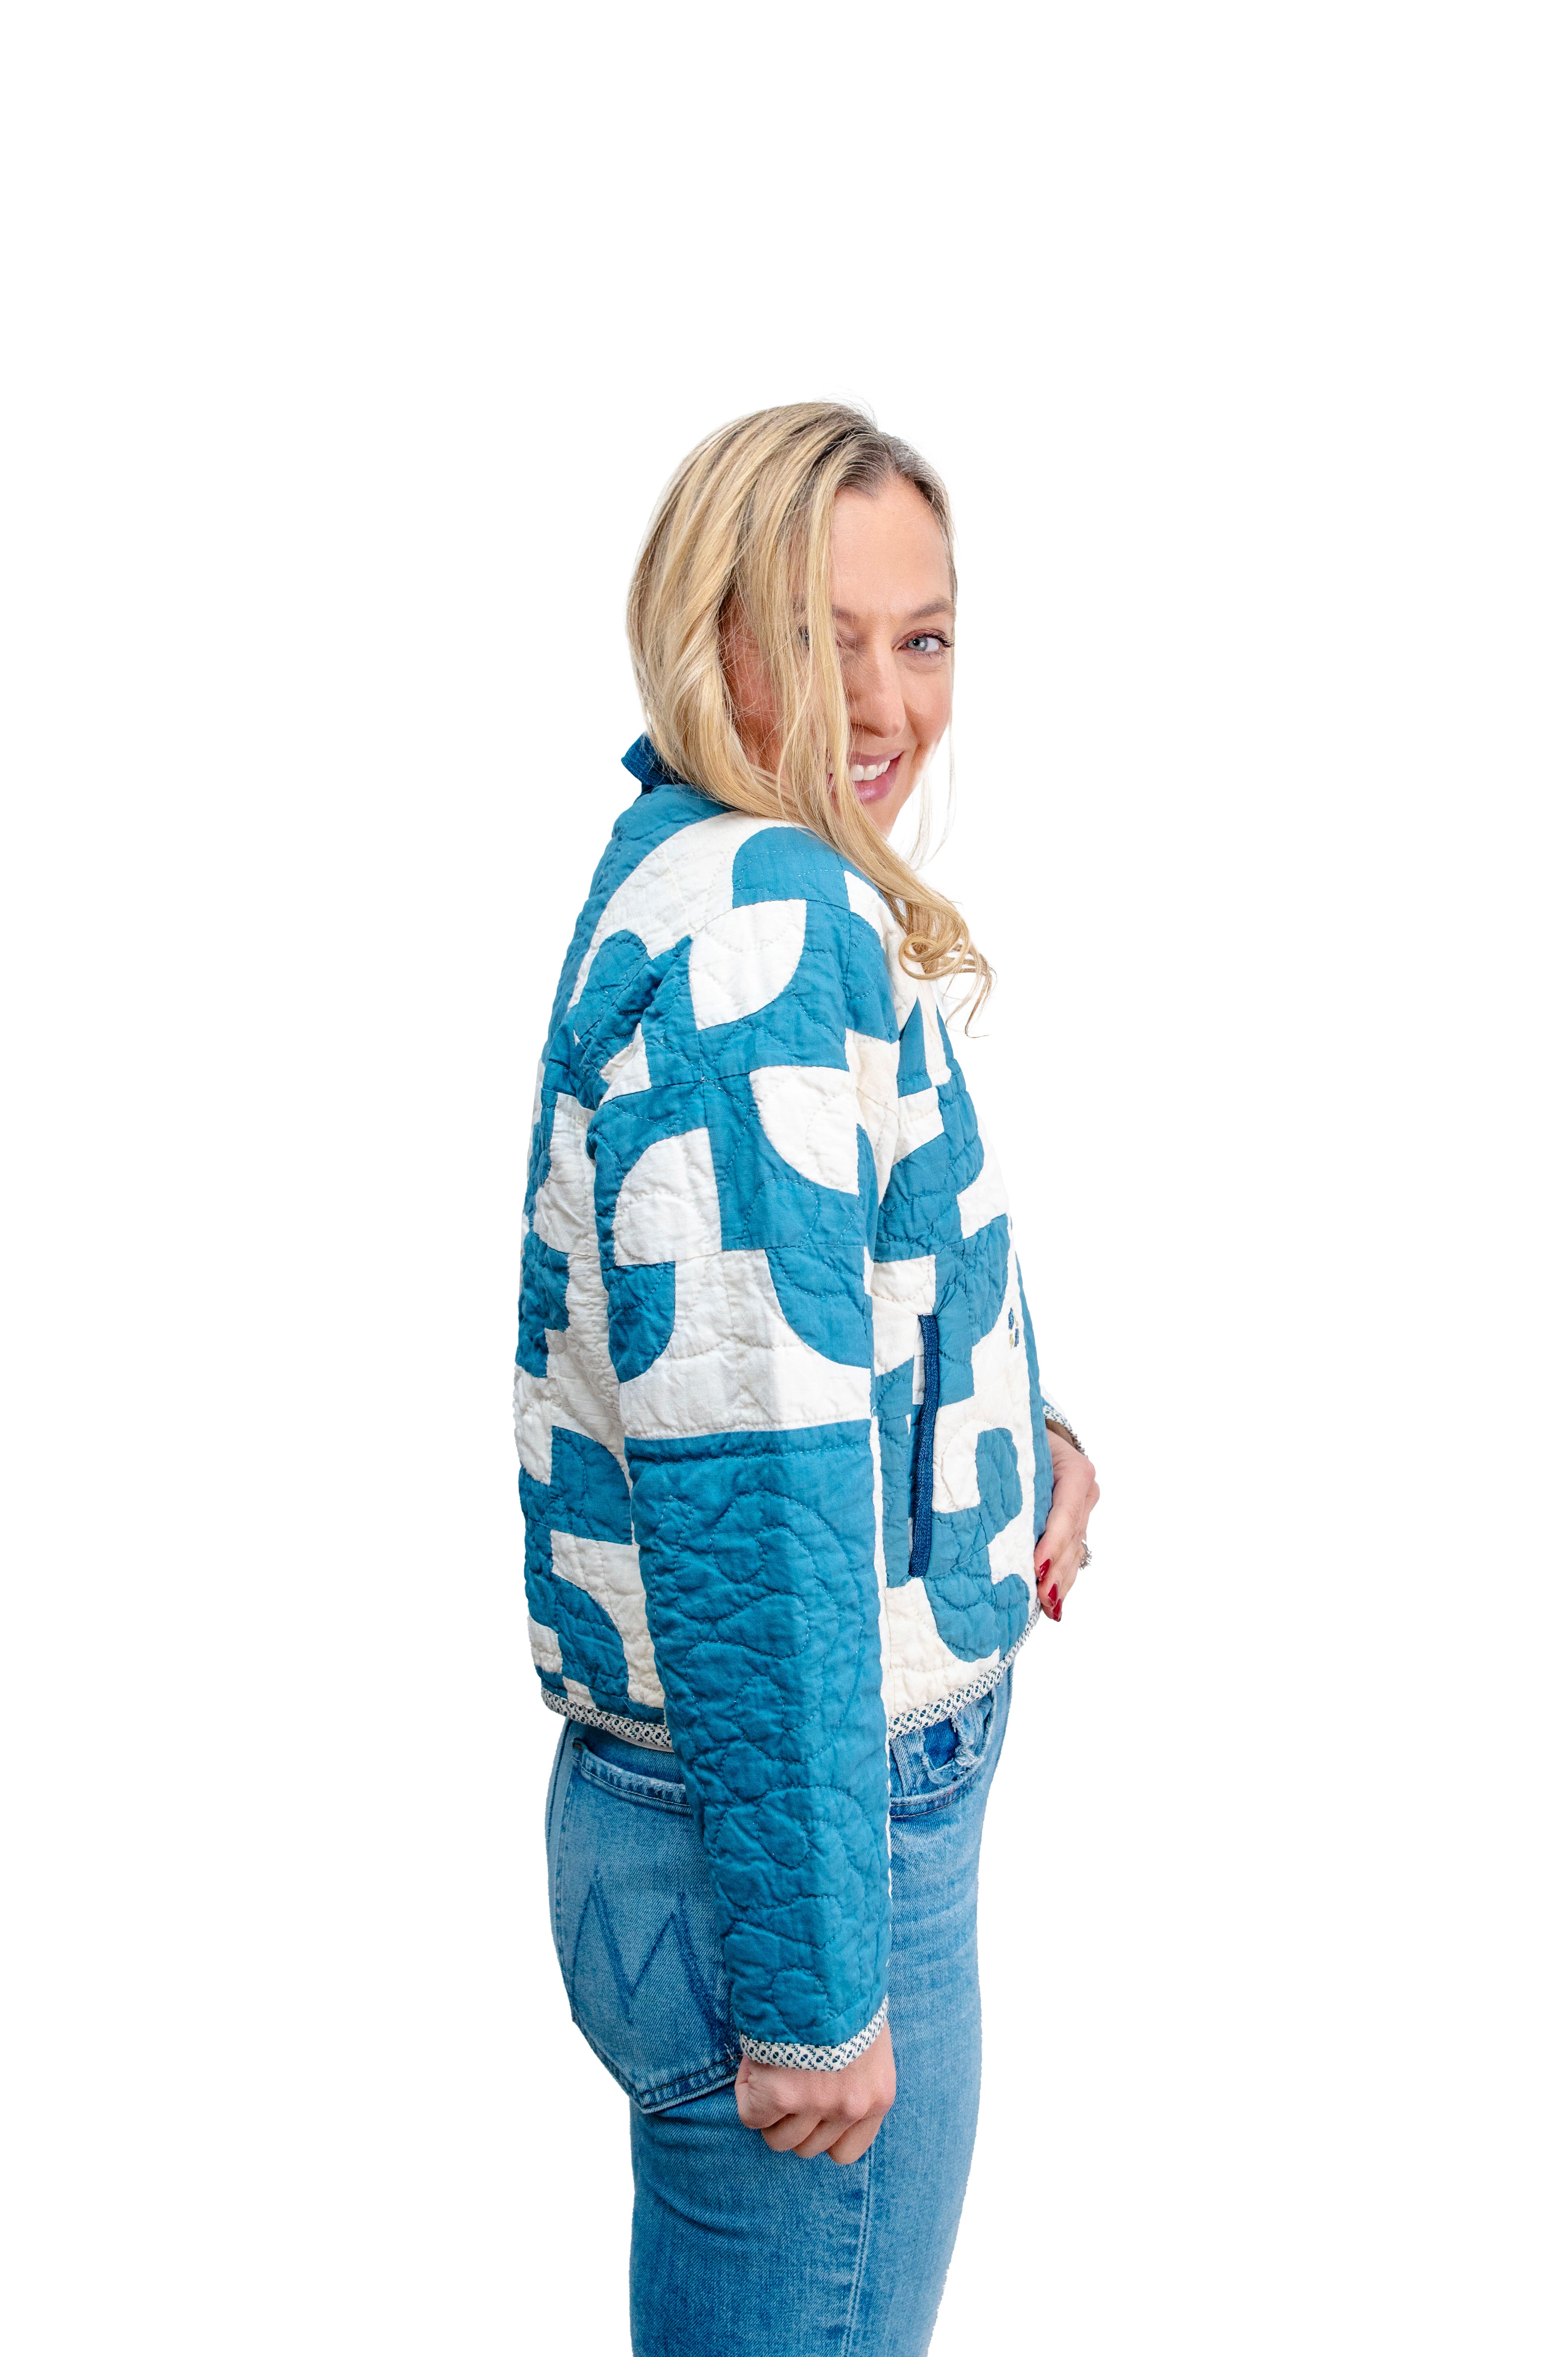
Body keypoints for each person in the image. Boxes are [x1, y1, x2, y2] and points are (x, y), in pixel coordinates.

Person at [518, 403, 1100, 2356]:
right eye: (815, 633)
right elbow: (752, 1482)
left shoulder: (708, 866)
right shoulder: (768, 923)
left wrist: (1018, 1436)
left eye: (920, 638)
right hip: (799, 1831)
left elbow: (800, 1304)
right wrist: (809, 1985)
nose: (882, 701)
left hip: (764, 1804)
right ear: (706, 633)